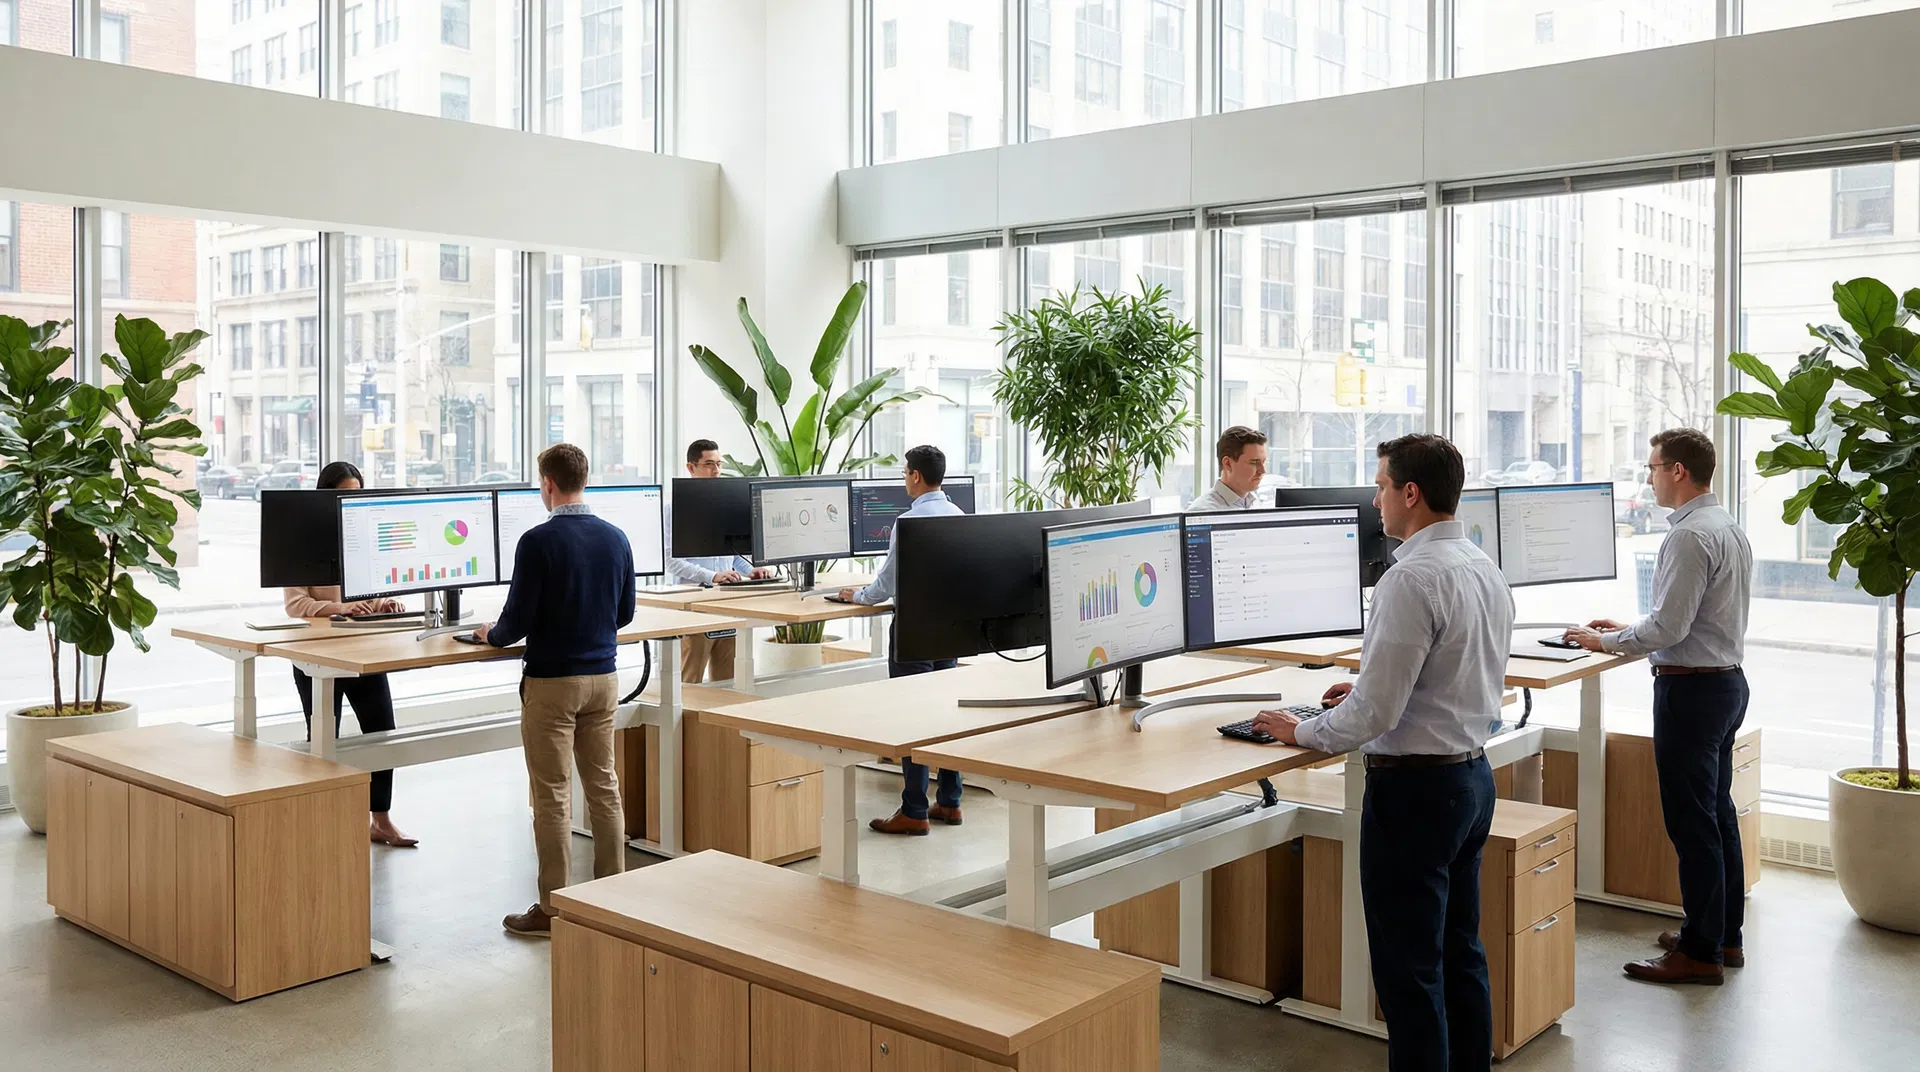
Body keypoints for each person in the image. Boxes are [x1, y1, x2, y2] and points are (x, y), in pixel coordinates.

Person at [1251, 434, 1514, 1072]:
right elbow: (1447, 673)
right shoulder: (1482, 566)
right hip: (1472, 780)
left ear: (1411, 494)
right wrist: (1368, 684)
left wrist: (1301, 731)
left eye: (1380, 486)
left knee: (1408, 971)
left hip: (1416, 795)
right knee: (1459, 953)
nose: (1375, 500)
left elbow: (1375, 716)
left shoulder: (1409, 578)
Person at [1564, 428, 1752, 986]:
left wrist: (1606, 642)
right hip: (1723, 683)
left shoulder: (1691, 536)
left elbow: (1670, 625)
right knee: (1717, 816)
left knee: (1693, 825)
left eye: (1652, 468)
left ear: (1677, 471)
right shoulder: (1726, 527)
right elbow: (1690, 618)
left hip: (1692, 693)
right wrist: (1627, 631)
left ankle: (1699, 953)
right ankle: (1722, 935)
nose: (1648, 479)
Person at [477, 443, 636, 936]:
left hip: (552, 684)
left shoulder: (537, 541)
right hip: (604, 680)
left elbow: (515, 623)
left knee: (551, 795)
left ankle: (552, 908)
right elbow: (624, 613)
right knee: (603, 786)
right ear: (583, 479)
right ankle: (613, 896)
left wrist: (489, 635)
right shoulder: (616, 537)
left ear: (548, 483)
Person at [282, 461, 416, 848]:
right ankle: (326, 821)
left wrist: (384, 603)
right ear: (325, 497)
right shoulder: (301, 541)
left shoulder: (364, 540)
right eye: (343, 495)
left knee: (382, 733)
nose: (350, 502)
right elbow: (295, 604)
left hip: (364, 650)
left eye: (357, 495)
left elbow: (371, 594)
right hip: (318, 655)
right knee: (325, 739)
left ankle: (381, 821)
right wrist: (337, 608)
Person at [838, 445, 966, 836]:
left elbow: (887, 582)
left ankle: (914, 810)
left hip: (913, 629)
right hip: (950, 629)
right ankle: (949, 802)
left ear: (914, 476)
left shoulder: (908, 521)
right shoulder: (960, 516)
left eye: (905, 473)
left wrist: (856, 596)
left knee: (913, 716)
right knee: (947, 714)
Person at [665, 438, 776, 683]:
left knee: (728, 683)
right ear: (690, 468)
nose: (716, 470)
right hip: (694, 606)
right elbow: (671, 562)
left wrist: (752, 571)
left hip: (728, 604)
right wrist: (712, 576)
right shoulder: (674, 511)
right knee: (690, 681)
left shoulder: (727, 506)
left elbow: (733, 554)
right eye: (708, 464)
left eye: (718, 464)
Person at [1190, 425, 1268, 512]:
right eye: (1254, 462)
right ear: (1228, 464)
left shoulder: (1256, 505)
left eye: (1263, 462)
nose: (1263, 471)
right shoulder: (1202, 512)